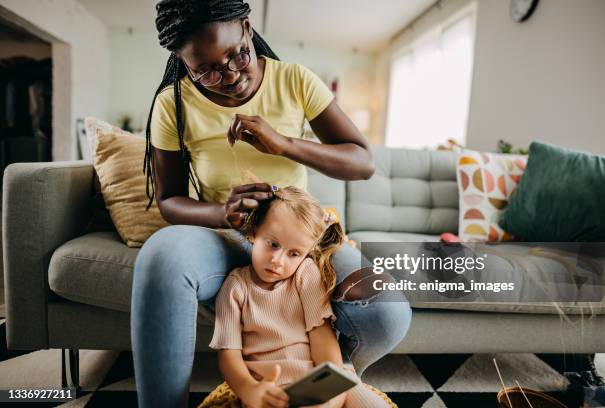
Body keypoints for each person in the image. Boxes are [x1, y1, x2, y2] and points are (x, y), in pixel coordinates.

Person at [131, 1, 412, 407]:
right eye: (206, 70)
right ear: (181, 60)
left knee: (389, 313)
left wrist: (286, 145)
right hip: (222, 238)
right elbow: (169, 201)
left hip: (297, 242)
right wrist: (220, 213)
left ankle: (323, 381)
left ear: (247, 28)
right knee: (161, 256)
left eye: (236, 55)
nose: (229, 76)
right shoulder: (172, 104)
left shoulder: (295, 80)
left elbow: (363, 162)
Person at [210, 186, 389, 407]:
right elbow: (229, 356)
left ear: (305, 253)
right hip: (273, 389)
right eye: (273, 244)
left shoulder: (305, 273)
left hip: (317, 378)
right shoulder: (235, 287)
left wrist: (331, 386)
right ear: (254, 232)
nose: (278, 260)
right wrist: (249, 389)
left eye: (293, 253)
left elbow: (322, 336)